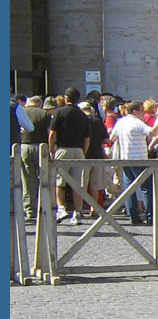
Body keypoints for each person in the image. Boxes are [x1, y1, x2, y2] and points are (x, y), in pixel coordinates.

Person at [48, 88, 91, 225]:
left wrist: (51, 150)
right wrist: (83, 152)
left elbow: (52, 133)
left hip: (63, 148)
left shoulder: (60, 111)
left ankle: (62, 208)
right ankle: (77, 213)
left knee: (60, 181)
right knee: (77, 183)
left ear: (66, 98)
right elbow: (87, 138)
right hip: (78, 150)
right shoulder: (82, 115)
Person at [109, 100, 154, 225]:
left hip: (125, 158)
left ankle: (133, 216)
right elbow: (153, 133)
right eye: (142, 110)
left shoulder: (120, 122)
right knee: (146, 187)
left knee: (129, 188)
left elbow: (112, 138)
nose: (144, 113)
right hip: (139, 159)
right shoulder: (138, 123)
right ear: (135, 111)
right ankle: (151, 217)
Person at [19, 96, 50, 221]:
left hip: (24, 147)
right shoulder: (44, 114)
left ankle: (30, 209)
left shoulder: (22, 111)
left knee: (27, 180)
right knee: (45, 178)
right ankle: (45, 207)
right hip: (41, 148)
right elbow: (49, 132)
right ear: (40, 104)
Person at [80, 100, 110, 218]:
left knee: (81, 184)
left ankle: (80, 209)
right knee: (95, 185)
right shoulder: (97, 121)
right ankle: (94, 208)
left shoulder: (80, 121)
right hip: (97, 154)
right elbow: (106, 140)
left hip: (83, 155)